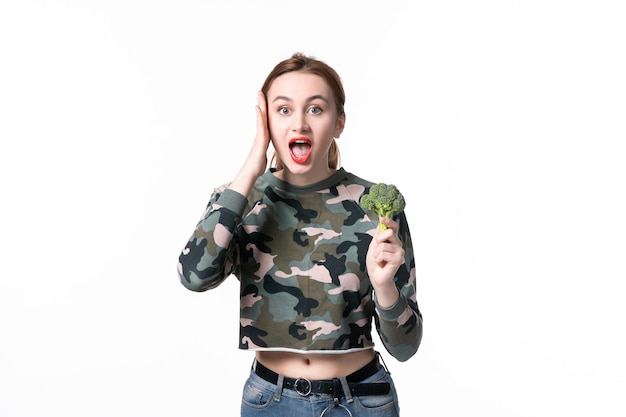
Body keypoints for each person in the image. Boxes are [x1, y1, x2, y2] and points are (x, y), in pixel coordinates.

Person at [177, 52, 423, 417]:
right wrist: (252, 163)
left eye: (316, 109)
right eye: (284, 110)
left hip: (362, 399)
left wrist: (385, 286)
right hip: (269, 401)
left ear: (339, 121)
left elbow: (405, 348)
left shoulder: (375, 206)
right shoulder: (240, 199)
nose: (300, 125)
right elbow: (194, 276)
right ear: (266, 122)